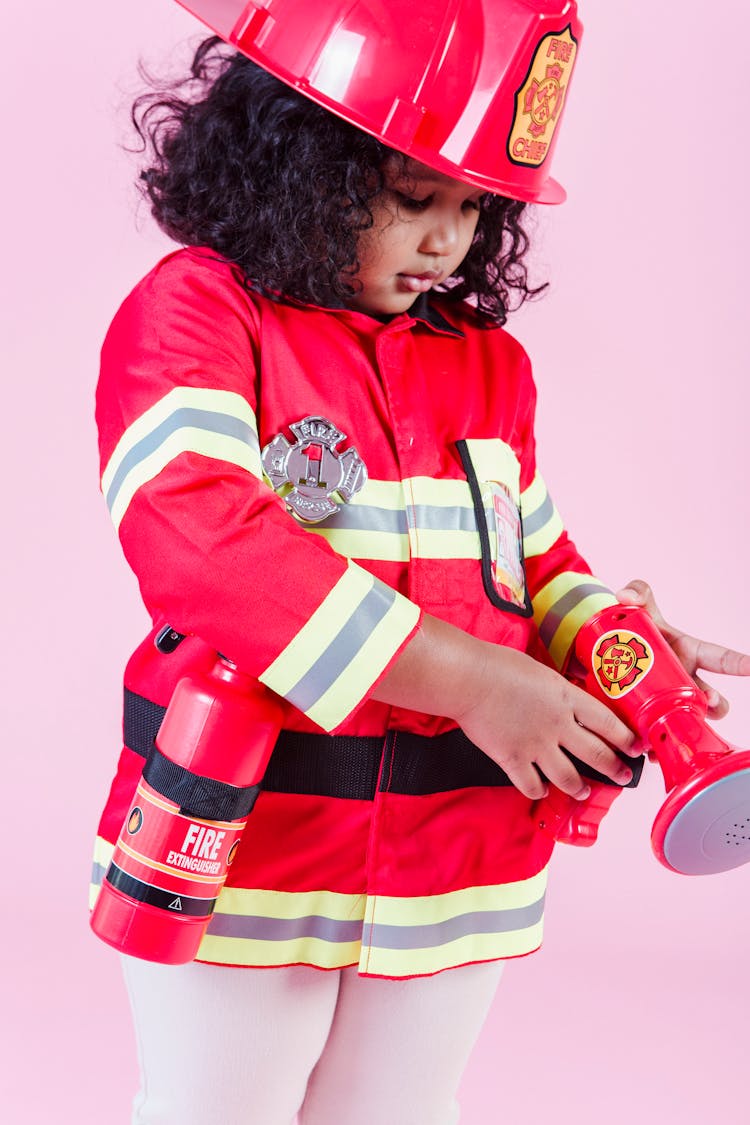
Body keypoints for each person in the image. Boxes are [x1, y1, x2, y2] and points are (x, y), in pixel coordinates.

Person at [90, 5, 750, 1123]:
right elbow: (201, 540)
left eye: (473, 208)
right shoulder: (198, 313)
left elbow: (532, 566)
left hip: (459, 858)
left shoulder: (490, 367)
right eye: (412, 199)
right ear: (299, 158)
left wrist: (603, 642)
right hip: (246, 840)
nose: (447, 243)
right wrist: (482, 685)